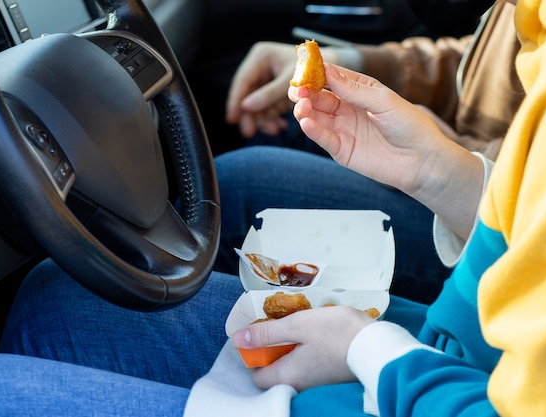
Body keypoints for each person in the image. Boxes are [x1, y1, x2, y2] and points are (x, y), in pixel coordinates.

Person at [0, 0, 546, 415]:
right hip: (447, 360)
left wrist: (369, 350)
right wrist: (450, 179)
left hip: (414, 383)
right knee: (56, 300)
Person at [214, 0, 523, 303]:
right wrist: (350, 62)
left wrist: (446, 153)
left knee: (234, 193)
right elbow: (479, 58)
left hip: (498, 229)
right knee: (288, 129)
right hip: (474, 179)